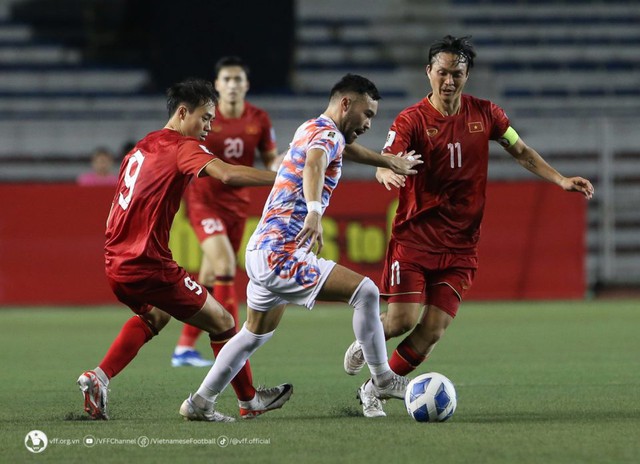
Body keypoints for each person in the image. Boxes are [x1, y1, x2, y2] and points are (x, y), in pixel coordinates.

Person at [342, 35, 595, 417]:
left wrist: (559, 179)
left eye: (456, 73)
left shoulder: (488, 114)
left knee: (432, 331)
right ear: (429, 72)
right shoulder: (411, 119)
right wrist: (385, 170)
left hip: (461, 246)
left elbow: (520, 150)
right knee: (402, 319)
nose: (448, 81)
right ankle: (370, 336)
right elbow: (388, 156)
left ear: (467, 75)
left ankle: (373, 389)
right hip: (415, 237)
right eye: (441, 72)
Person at [178, 73, 423, 421]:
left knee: (251, 336)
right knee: (366, 292)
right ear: (346, 104)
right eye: (367, 114)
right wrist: (313, 211)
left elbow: (340, 148)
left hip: (261, 250)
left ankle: (200, 402)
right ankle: (383, 378)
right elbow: (315, 163)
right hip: (282, 253)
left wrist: (387, 161)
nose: (370, 123)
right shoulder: (325, 137)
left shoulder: (314, 127)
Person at [76, 78, 292, 422]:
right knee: (223, 321)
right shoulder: (181, 146)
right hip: (148, 264)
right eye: (205, 118)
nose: (209, 126)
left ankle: (98, 378)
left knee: (155, 316)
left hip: (116, 262)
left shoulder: (141, 147)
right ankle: (250, 401)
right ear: (182, 112)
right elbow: (227, 174)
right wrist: (284, 178)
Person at [172, 56, 283, 368]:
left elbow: (269, 158)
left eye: (238, 80)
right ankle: (234, 344)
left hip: (237, 206)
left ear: (246, 85)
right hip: (203, 202)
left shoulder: (259, 118)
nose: (232, 85)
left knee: (208, 276)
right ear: (217, 85)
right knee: (224, 265)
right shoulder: (206, 117)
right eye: (226, 80)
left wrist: (283, 165)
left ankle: (183, 348)